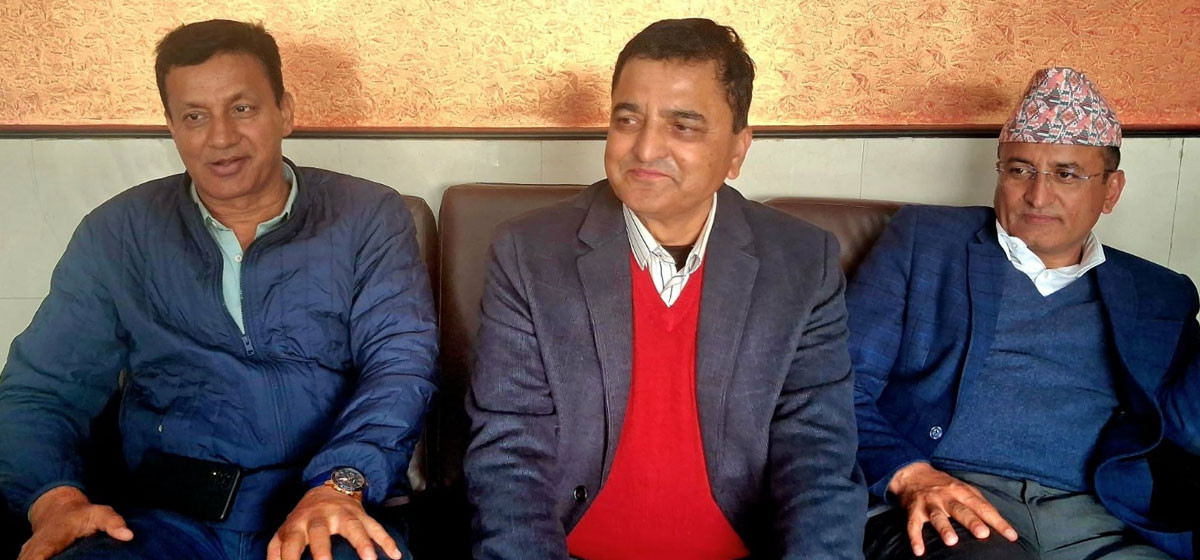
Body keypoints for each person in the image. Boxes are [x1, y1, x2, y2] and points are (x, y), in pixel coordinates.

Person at [0, 19, 437, 560]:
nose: (221, 137)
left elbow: (400, 365)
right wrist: (53, 500)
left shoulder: (367, 216)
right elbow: (42, 387)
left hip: (326, 506)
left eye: (242, 108)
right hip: (165, 522)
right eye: (194, 116)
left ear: (285, 112)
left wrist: (342, 482)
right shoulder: (120, 232)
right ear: (172, 127)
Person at [464, 17, 865, 560]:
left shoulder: (800, 262)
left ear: (738, 150)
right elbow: (509, 456)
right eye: (627, 119)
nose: (646, 148)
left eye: (683, 126)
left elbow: (818, 458)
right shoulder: (529, 254)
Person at [849, 67, 1199, 560]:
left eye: (1066, 174)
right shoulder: (926, 243)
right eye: (1019, 170)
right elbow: (836, 382)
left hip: (1096, 520)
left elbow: (1187, 426)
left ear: (1111, 191)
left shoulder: (1160, 293)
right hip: (949, 499)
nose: (1037, 195)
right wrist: (909, 474)